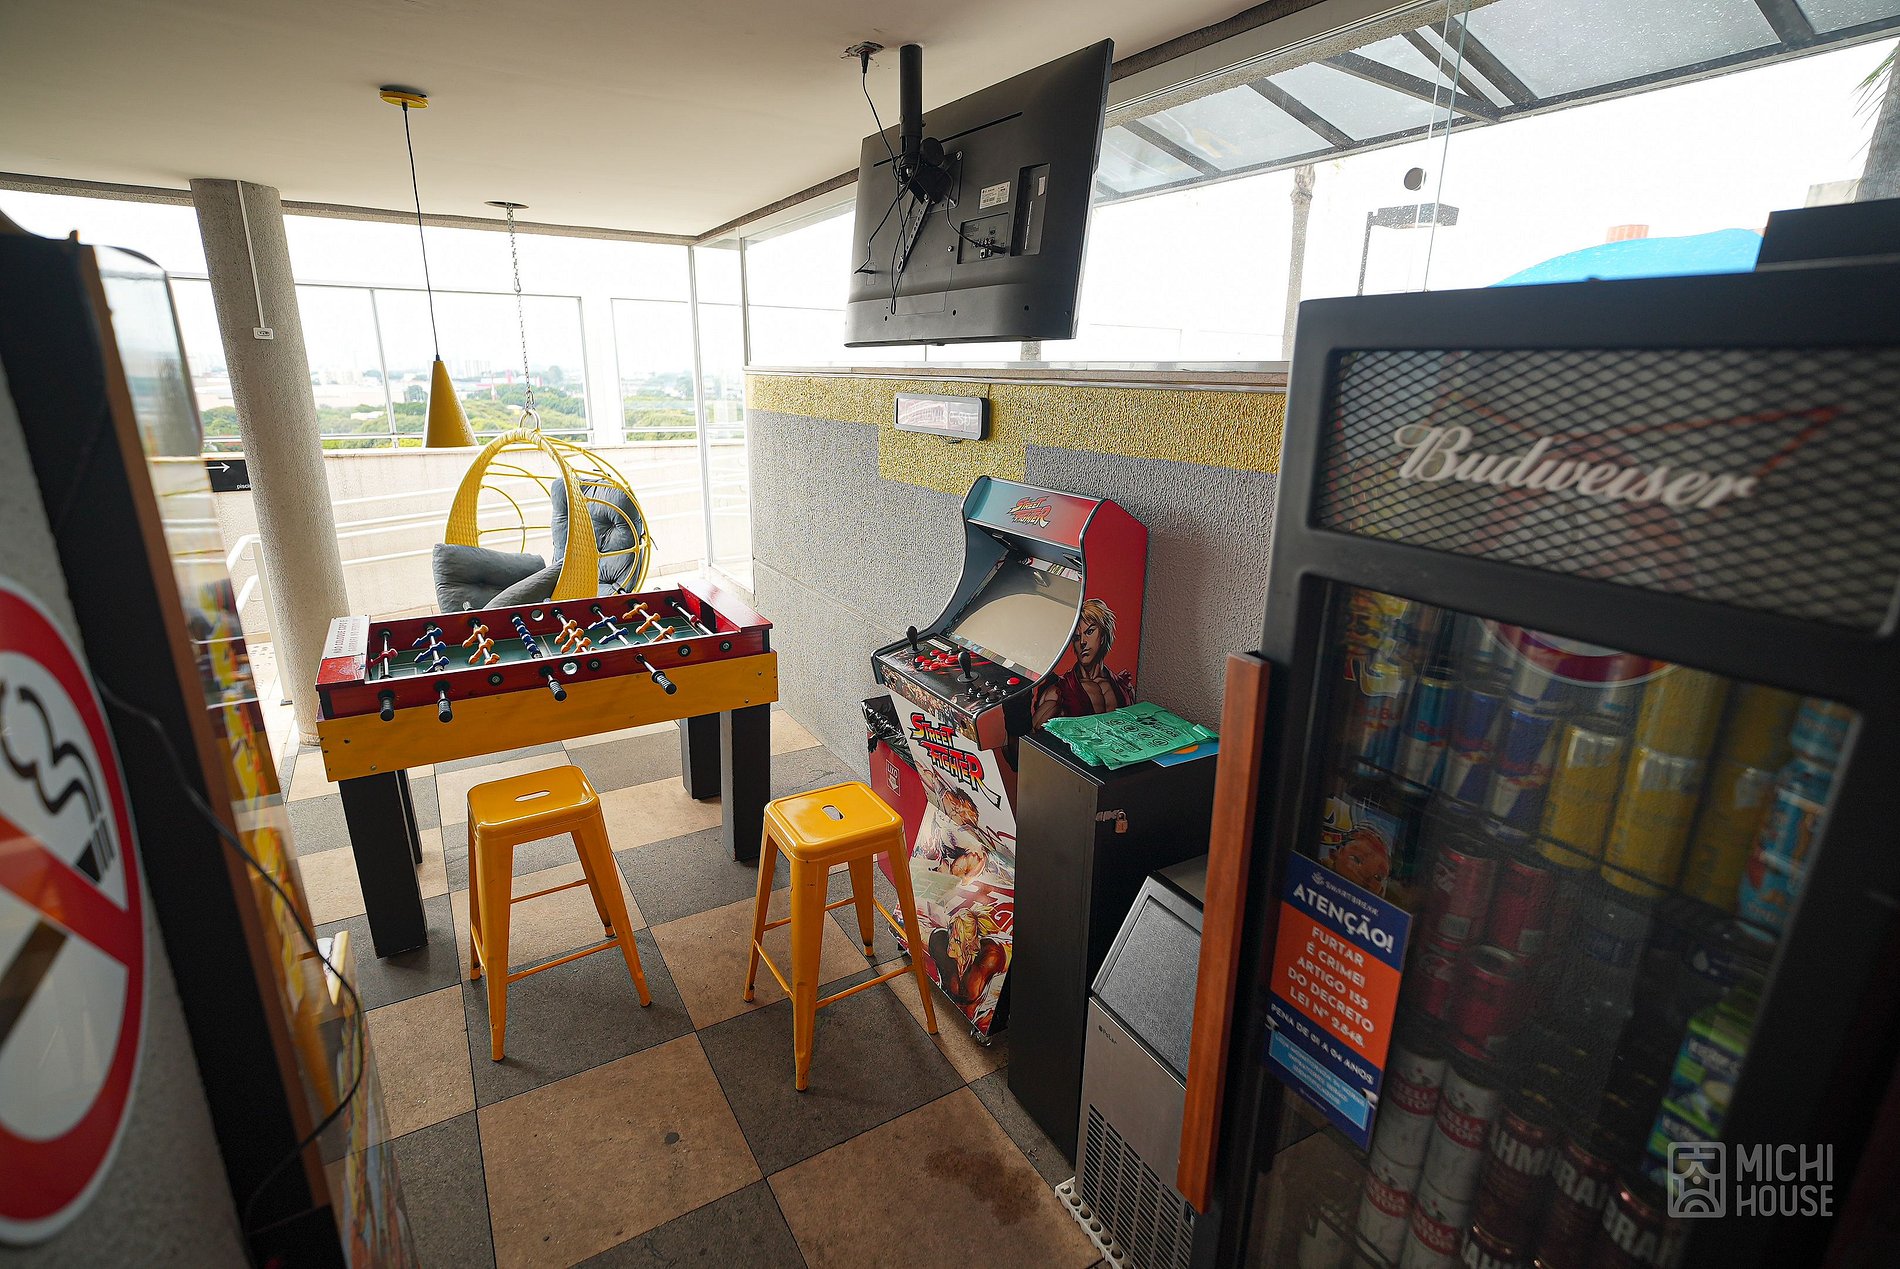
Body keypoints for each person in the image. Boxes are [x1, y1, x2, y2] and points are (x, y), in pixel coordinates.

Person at [1032, 597, 1133, 726]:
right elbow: (1034, 732)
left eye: (1089, 632)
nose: (1082, 642)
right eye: (1076, 637)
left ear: (1103, 635)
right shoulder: (1059, 691)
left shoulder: (1123, 686)